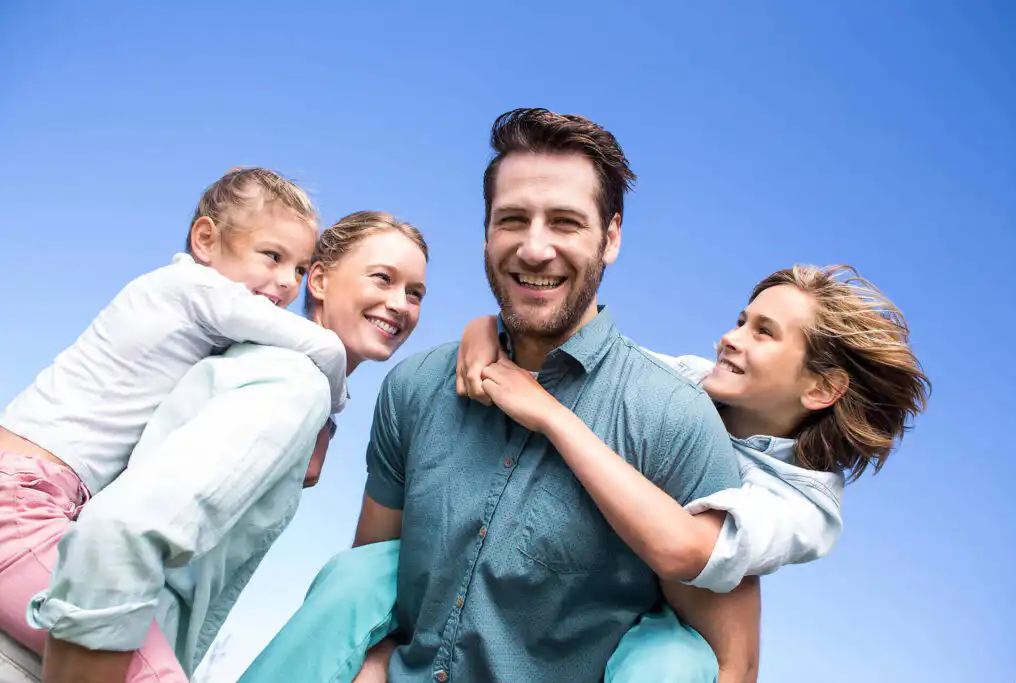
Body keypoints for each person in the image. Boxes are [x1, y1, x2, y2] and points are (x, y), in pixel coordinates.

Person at [242, 107, 747, 683]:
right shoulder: (415, 388)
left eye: (565, 223)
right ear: (486, 231)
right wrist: (375, 660)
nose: (534, 248)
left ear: (610, 238)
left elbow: (725, 662)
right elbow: (374, 578)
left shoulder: (675, 420)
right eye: (512, 220)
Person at [458, 263, 930, 682]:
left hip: (663, 631)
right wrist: (488, 328)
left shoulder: (804, 506)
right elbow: (587, 366)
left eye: (764, 333)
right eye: (741, 321)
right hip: (587, 587)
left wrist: (553, 418)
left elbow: (681, 549)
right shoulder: (688, 384)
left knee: (669, 664)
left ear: (822, 388)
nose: (731, 338)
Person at [29, 210, 430, 683]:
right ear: (319, 280)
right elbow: (119, 533)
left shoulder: (282, 376)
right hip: (79, 655)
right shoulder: (292, 383)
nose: (399, 304)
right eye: (382, 278)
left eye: (415, 293)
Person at [0, 167, 349, 682]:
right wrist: (327, 419)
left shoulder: (182, 307)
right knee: (151, 671)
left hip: (35, 497)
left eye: (298, 269)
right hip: (20, 501)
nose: (285, 282)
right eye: (272, 256)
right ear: (205, 239)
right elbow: (324, 346)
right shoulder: (194, 289)